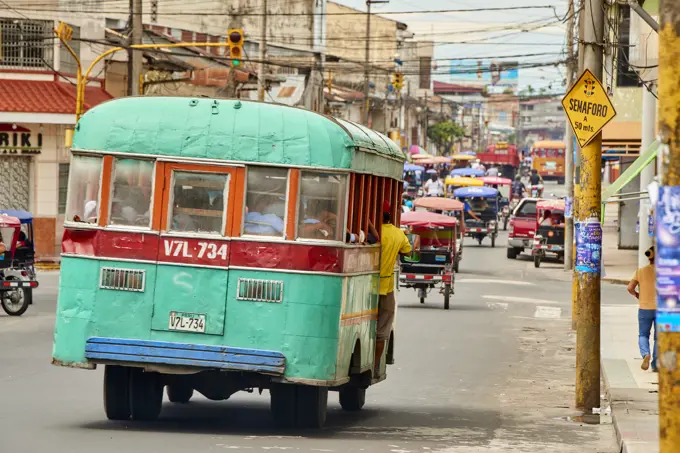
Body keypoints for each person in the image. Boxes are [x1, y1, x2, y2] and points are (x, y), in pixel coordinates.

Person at [375, 200, 412, 376]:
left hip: (367, 286)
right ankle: (375, 367)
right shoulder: (398, 234)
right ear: (390, 215)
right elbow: (408, 251)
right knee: (382, 331)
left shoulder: (373, 232)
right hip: (386, 288)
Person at [627, 247, 658, 372]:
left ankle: (646, 354)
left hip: (645, 308)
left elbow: (630, 288)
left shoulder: (640, 271)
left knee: (643, 334)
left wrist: (637, 295)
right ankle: (656, 364)